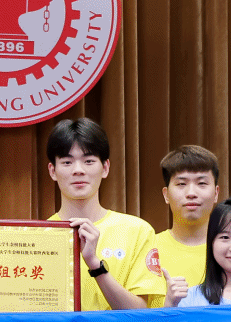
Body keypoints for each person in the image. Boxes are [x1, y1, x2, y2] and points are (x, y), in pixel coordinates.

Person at [43, 118, 165, 311]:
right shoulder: (40, 236)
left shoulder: (137, 231)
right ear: (52, 171)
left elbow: (142, 314)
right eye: (67, 162)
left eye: (89, 161)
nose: (78, 170)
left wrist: (95, 265)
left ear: (105, 168)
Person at [150, 145, 221, 295]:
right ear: (166, 195)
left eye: (202, 183)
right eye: (181, 184)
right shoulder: (148, 249)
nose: (191, 193)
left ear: (216, 193)